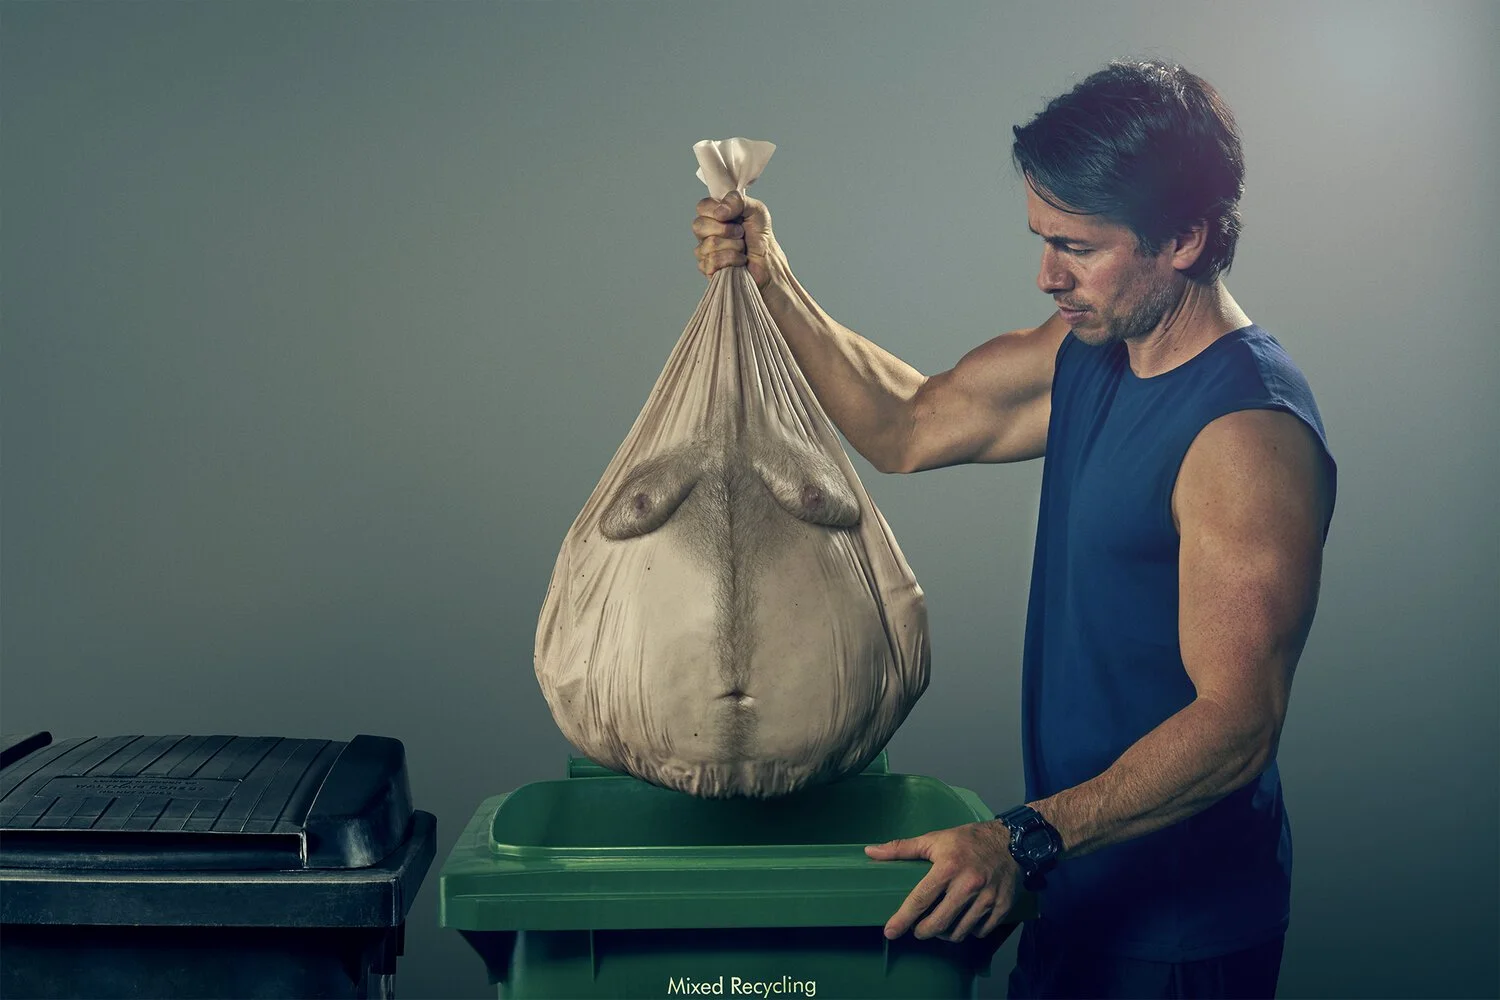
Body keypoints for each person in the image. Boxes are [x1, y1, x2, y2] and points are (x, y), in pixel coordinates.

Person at [693, 59, 1335, 1000]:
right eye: (1042, 239)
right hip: (1067, 886)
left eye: (1076, 247)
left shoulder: (1245, 433)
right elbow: (906, 423)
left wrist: (1021, 836)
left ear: (1186, 238)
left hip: (1177, 939)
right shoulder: (1091, 351)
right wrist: (770, 273)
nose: (1046, 276)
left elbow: (1236, 724)